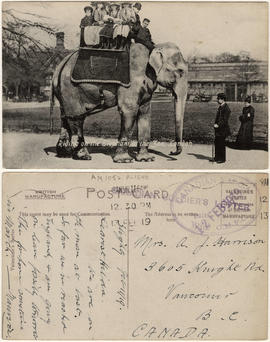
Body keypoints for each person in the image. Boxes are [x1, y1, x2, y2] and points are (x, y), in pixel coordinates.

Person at [213, 93, 231, 163]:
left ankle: (222, 159)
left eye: (218, 99)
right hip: (218, 129)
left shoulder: (226, 108)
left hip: (223, 129)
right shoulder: (220, 107)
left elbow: (224, 120)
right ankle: (217, 157)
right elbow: (218, 118)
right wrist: (215, 124)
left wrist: (218, 125)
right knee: (217, 142)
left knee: (221, 143)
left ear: (222, 99)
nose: (217, 100)